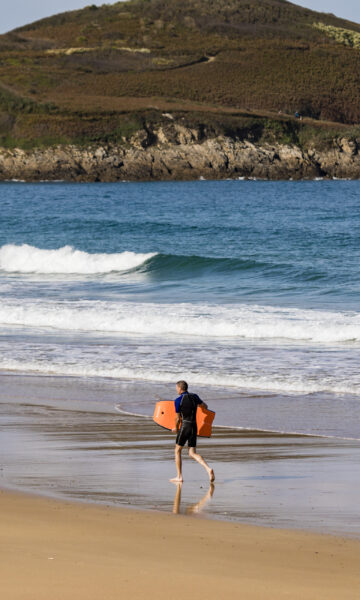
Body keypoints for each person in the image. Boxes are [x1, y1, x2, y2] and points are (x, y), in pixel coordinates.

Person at [170, 380, 215, 483]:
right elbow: (205, 406)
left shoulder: (178, 400)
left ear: (180, 388)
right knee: (192, 453)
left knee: (177, 451)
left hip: (185, 426)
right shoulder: (195, 397)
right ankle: (208, 469)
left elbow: (177, 419)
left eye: (177, 388)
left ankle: (179, 476)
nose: (176, 389)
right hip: (194, 426)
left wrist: (176, 428)